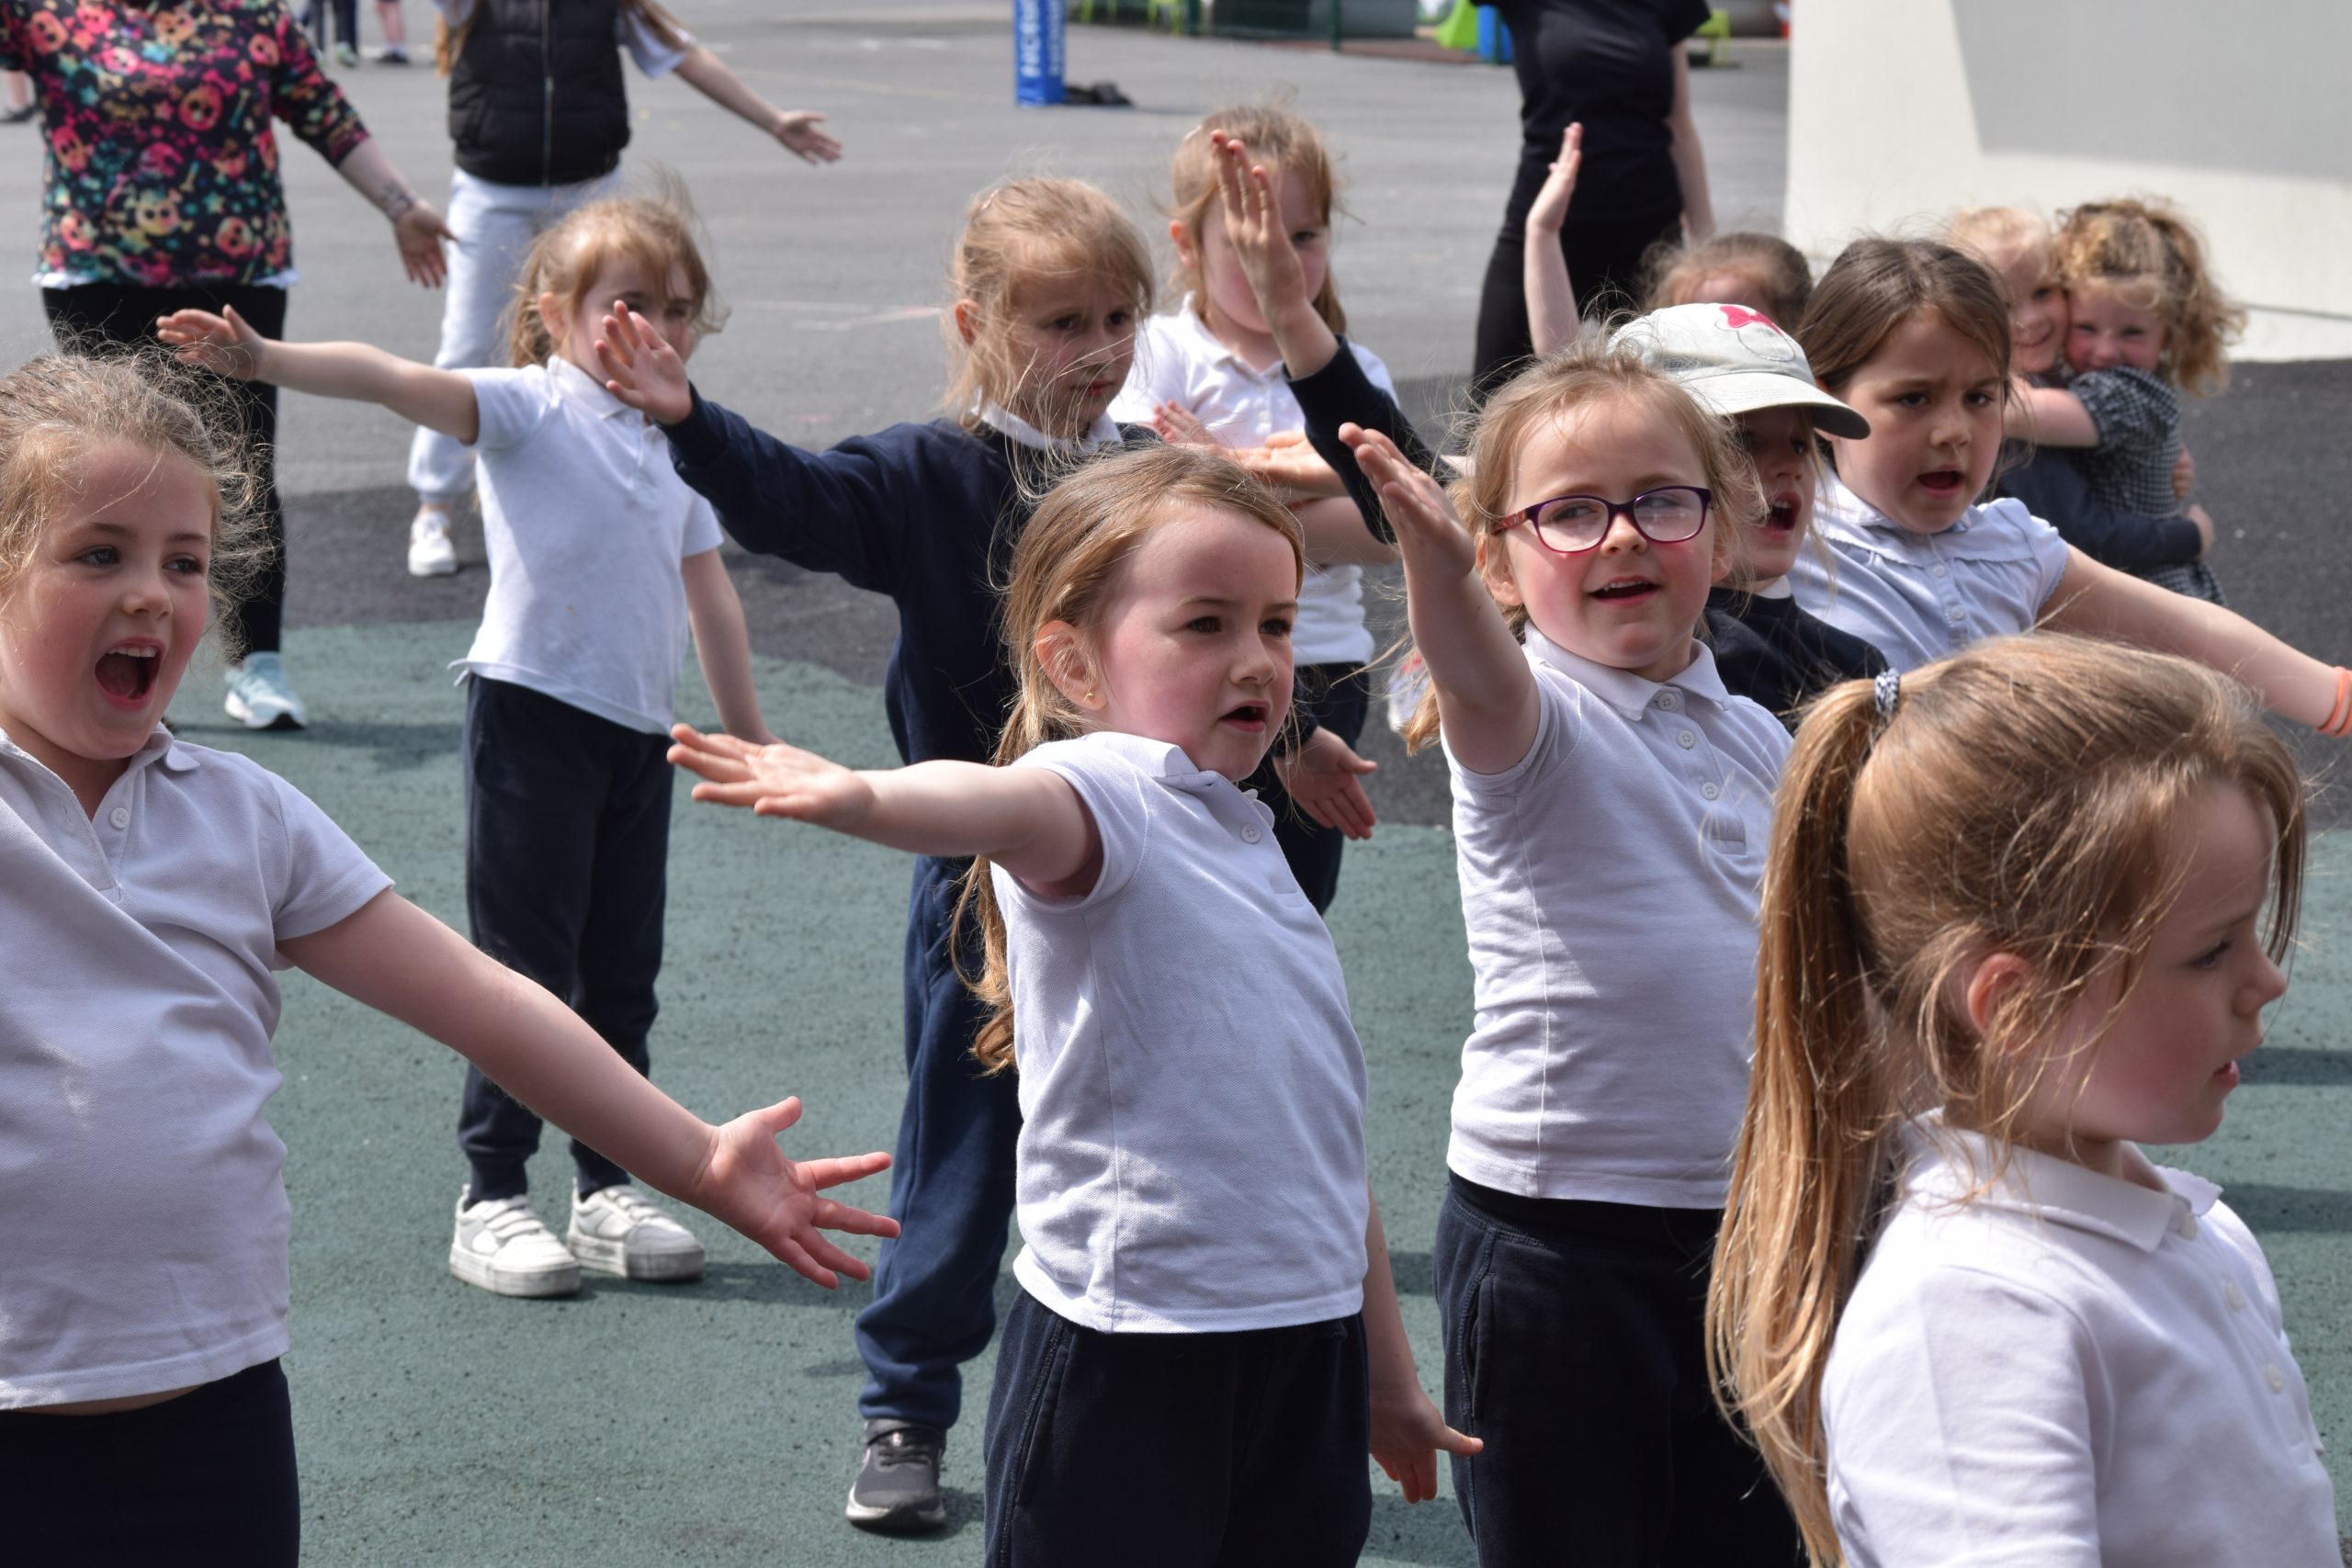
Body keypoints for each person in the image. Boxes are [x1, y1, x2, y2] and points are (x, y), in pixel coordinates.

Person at [0, 349, 896, 1566]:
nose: (154, 591)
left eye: (187, 559)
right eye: (98, 552)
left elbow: (485, 1000)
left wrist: (694, 1157)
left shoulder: (240, 816)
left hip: (213, 1407)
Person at [596, 175, 1381, 1532]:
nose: (1101, 347)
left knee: (1208, 1099)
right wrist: (691, 422)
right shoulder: (927, 470)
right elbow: (794, 500)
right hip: (986, 867)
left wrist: (1299, 730)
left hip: (1171, 865)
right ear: (977, 322)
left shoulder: (1138, 464)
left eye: (1122, 315)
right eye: (1062, 319)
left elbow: (1222, 631)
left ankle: (1221, 1347)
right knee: (960, 1145)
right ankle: (906, 1398)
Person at [669, 443, 1475, 1566]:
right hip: (1128, 1351)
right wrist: (861, 796)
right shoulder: (1107, 796)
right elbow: (997, 801)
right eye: (1206, 624)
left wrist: (1385, 1376)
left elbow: (1327, 1148)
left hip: (1304, 1350)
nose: (1256, 658)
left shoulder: (1244, 841)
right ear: (1076, 667)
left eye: (1278, 625)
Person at [161, 188, 775, 1299]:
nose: (660, 329)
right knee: (524, 971)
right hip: (532, 719)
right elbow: (393, 379)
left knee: (619, 976)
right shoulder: (530, 408)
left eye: (681, 309)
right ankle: (492, 1192)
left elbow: (711, 594)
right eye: (630, 303)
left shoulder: (679, 441)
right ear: (554, 312)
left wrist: (756, 738)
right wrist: (266, 361)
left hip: (637, 739)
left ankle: (609, 1183)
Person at [1710, 634, 2341, 1564]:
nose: (2265, 981)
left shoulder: (2196, 1232)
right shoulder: (1973, 1315)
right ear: (2010, 1007)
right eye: (2211, 952)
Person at [1351, 339, 1804, 1564]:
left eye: (1662, 502)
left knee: (1755, 1536)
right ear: (1500, 557)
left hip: (1745, 1223)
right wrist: (1436, 571)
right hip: (1558, 1241)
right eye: (1568, 514)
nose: (1619, 537)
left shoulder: (1757, 730)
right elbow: (1477, 679)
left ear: (1721, 532)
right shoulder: (1533, 726)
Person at [0, 0, 457, 733]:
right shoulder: (48, 13)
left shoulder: (255, 18)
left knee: (239, 470)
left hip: (236, 277)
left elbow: (327, 115)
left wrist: (402, 207)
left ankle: (256, 661)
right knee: (106, 477)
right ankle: (107, 672)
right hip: (96, 274)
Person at [1786, 236, 2352, 738]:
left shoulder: (2012, 547)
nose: (1955, 431)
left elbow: (2193, 630)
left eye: (1981, 397)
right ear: (1825, 402)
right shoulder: (1786, 546)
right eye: (1914, 398)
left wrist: (2338, 701)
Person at [403, 0, 841, 580]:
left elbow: (685, 55)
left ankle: (630, 488)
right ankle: (433, 507)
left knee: (617, 346)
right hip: (492, 190)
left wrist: (772, 120)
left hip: (589, 187)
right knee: (465, 346)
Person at [1114, 103, 1396, 912]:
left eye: (1304, 236)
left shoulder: (1348, 367)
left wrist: (1227, 473)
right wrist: (1312, 483)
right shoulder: (1161, 351)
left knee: (1293, 897)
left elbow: (1390, 525)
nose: (1280, 259)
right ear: (1186, 247)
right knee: (1183, 883)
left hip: (1322, 663)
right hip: (1192, 659)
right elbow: (1146, 497)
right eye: (1248, 242)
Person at [1610, 303, 1886, 722]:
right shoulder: (1668, 655)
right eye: (1742, 441)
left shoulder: (1857, 661)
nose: (1790, 466)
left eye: (1799, 443)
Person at [1944, 205, 2214, 583]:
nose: (2031, 318)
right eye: (2004, 305)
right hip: (2119, 594)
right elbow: (2082, 534)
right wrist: (2190, 536)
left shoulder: (2070, 379)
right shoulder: (2011, 413)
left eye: (2043, 292)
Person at [2001, 198, 2244, 604]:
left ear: (2168, 334)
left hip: (2157, 589)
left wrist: (1964, 383)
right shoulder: (2085, 379)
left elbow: (2019, 413)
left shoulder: (2132, 392)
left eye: (2131, 332)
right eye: (2086, 328)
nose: (2105, 351)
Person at [1470, 0, 1715, 400]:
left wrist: (1707, 252)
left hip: (1650, 234)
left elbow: (1679, 125)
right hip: (1546, 227)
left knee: (1667, 408)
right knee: (1491, 404)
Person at [1523, 130, 1812, 353]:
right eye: (1691, 329)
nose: (1710, 344)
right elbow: (1562, 357)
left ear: (1794, 331)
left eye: (1733, 327)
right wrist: (1542, 231)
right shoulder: (1674, 397)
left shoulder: (1804, 409)